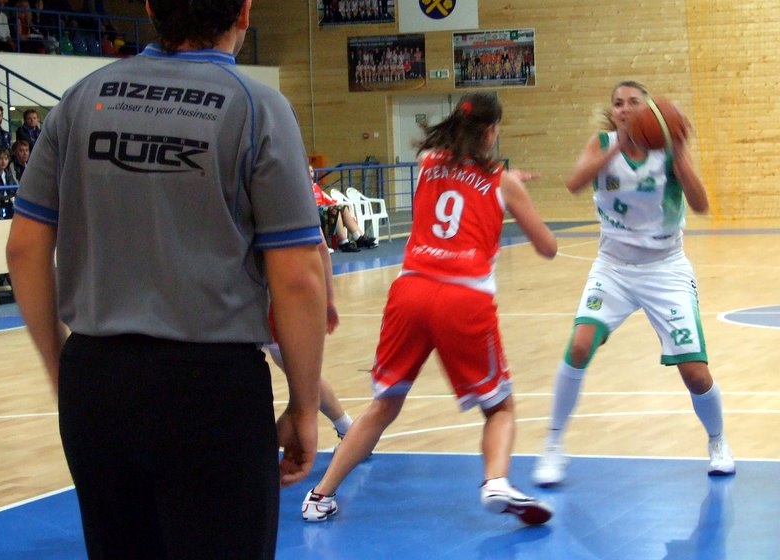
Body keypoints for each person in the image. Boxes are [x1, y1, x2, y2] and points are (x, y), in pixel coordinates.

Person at [6, 0, 326, 559]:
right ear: (244, 10)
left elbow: (23, 249)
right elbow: (298, 276)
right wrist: (304, 403)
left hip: (96, 383)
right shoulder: (257, 107)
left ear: (150, 8)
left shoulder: (79, 100)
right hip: (211, 389)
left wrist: (63, 369)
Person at [301, 93, 558, 525]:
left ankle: (319, 495)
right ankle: (496, 481)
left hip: (410, 292)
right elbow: (548, 247)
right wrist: (515, 194)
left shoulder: (428, 163)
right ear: (492, 132)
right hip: (464, 298)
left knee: (384, 405)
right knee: (499, 409)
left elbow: (459, 178)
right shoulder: (502, 182)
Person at [531, 80, 735, 488]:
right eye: (618, 103)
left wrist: (681, 155)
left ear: (649, 110)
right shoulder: (602, 144)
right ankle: (553, 444)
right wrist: (616, 147)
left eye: (634, 102)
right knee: (579, 346)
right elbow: (574, 183)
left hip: (665, 269)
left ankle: (718, 441)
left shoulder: (668, 151)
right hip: (614, 268)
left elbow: (700, 204)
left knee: (695, 374)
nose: (624, 108)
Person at [266, 231, 354, 443]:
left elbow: (321, 246)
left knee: (301, 378)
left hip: (279, 296)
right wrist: (329, 299)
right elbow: (322, 246)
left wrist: (329, 299)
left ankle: (347, 429)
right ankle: (346, 428)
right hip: (281, 292)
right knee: (301, 376)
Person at [311, 165, 378, 252]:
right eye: (308, 171)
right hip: (316, 210)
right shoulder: (305, 188)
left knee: (343, 208)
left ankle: (360, 238)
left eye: (312, 171)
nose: (310, 173)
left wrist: (336, 203)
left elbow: (327, 199)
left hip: (324, 208)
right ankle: (344, 243)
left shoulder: (316, 187)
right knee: (335, 210)